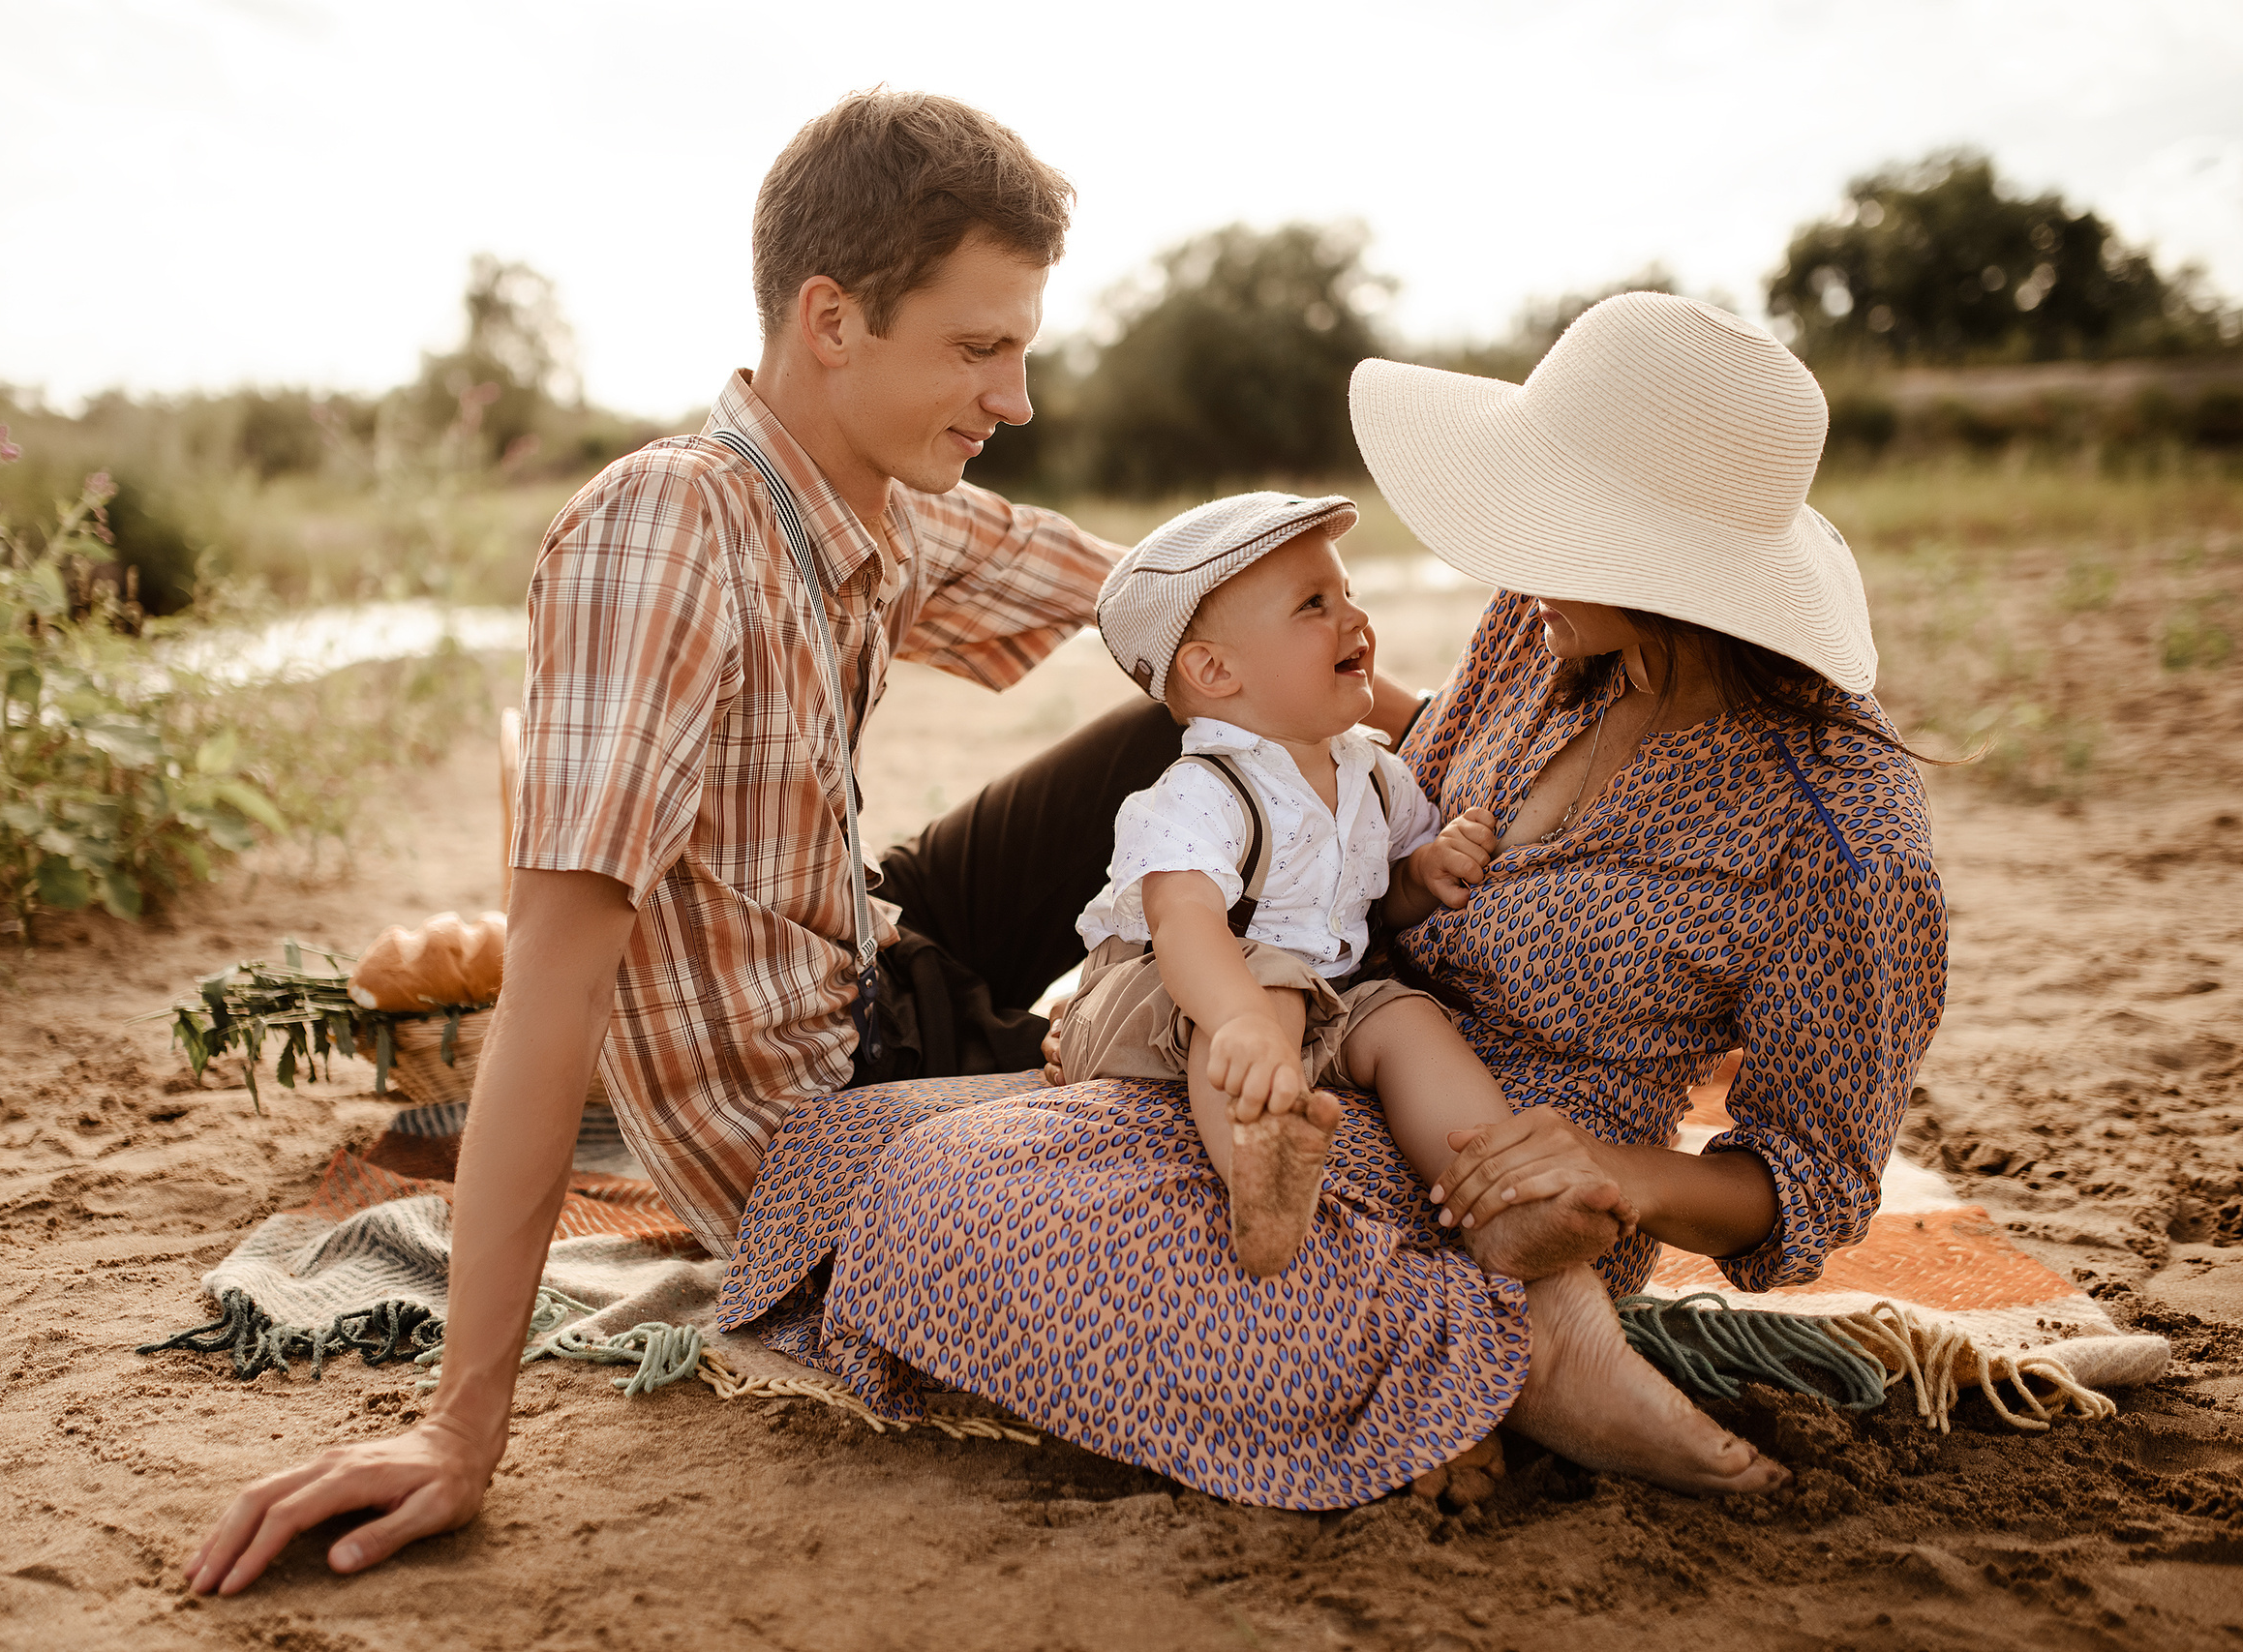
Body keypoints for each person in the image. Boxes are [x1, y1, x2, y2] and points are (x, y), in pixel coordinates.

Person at [183, 88, 1434, 1595]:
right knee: (1279, 1081)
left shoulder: (878, 500)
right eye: (980, 349)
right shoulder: (665, 532)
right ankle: (1397, 1059)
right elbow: (554, 992)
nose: (1016, 398)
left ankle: (1458, 949)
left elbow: (1204, 618)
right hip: (816, 1104)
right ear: (832, 319)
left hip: (880, 945)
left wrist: (1482, 727)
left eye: (1018, 348)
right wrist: (461, 1428)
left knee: (1213, 701)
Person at [715, 291, 1944, 1511]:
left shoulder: (1842, 839)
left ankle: (1507, 1351)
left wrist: (1619, 1173)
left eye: (1557, 528)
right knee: (850, 1156)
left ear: (1674, 573)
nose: (1509, 556)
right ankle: (1483, 1368)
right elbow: (1405, 771)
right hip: (1327, 1048)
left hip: (1495, 1182)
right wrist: (1249, 684)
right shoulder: (1553, 625)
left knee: (956, 1208)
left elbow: (1807, 1181)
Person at [1055, 491, 1617, 1277]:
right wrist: (1242, 1019)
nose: (1354, 618)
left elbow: (1378, 897)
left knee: (1408, 1018)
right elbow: (1183, 922)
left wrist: (1425, 872)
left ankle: (1500, 1198)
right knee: (1273, 983)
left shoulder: (1373, 773)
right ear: (1214, 669)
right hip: (1166, 1005)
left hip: (1320, 1000)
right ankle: (1262, 1183)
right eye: (1313, 605)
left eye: (1348, 593)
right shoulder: (1201, 791)